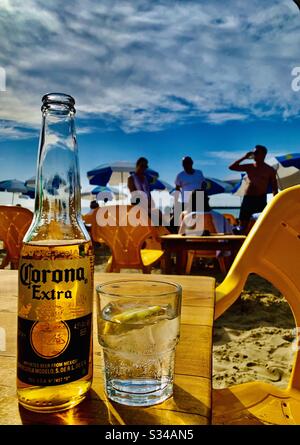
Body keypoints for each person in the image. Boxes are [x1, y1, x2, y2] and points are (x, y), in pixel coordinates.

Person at [229, 145, 278, 232]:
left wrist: (275, 203)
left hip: (260, 199)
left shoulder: (269, 170)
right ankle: (242, 242)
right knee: (242, 226)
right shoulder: (250, 166)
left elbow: (275, 188)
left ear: (263, 154)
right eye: (253, 153)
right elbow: (231, 167)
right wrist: (244, 157)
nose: (253, 155)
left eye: (256, 153)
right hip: (248, 199)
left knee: (261, 224)